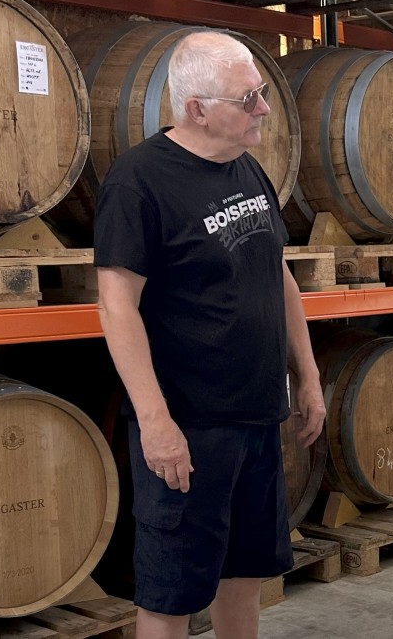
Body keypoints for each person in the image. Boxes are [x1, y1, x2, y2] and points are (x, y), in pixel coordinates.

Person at [95, 31, 325, 639]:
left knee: (244, 574)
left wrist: (309, 375)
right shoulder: (139, 182)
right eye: (247, 98)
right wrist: (155, 422)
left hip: (255, 415)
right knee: (171, 593)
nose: (264, 109)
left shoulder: (248, 169)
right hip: (189, 426)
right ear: (196, 109)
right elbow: (117, 307)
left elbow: (277, 278)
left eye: (261, 94)